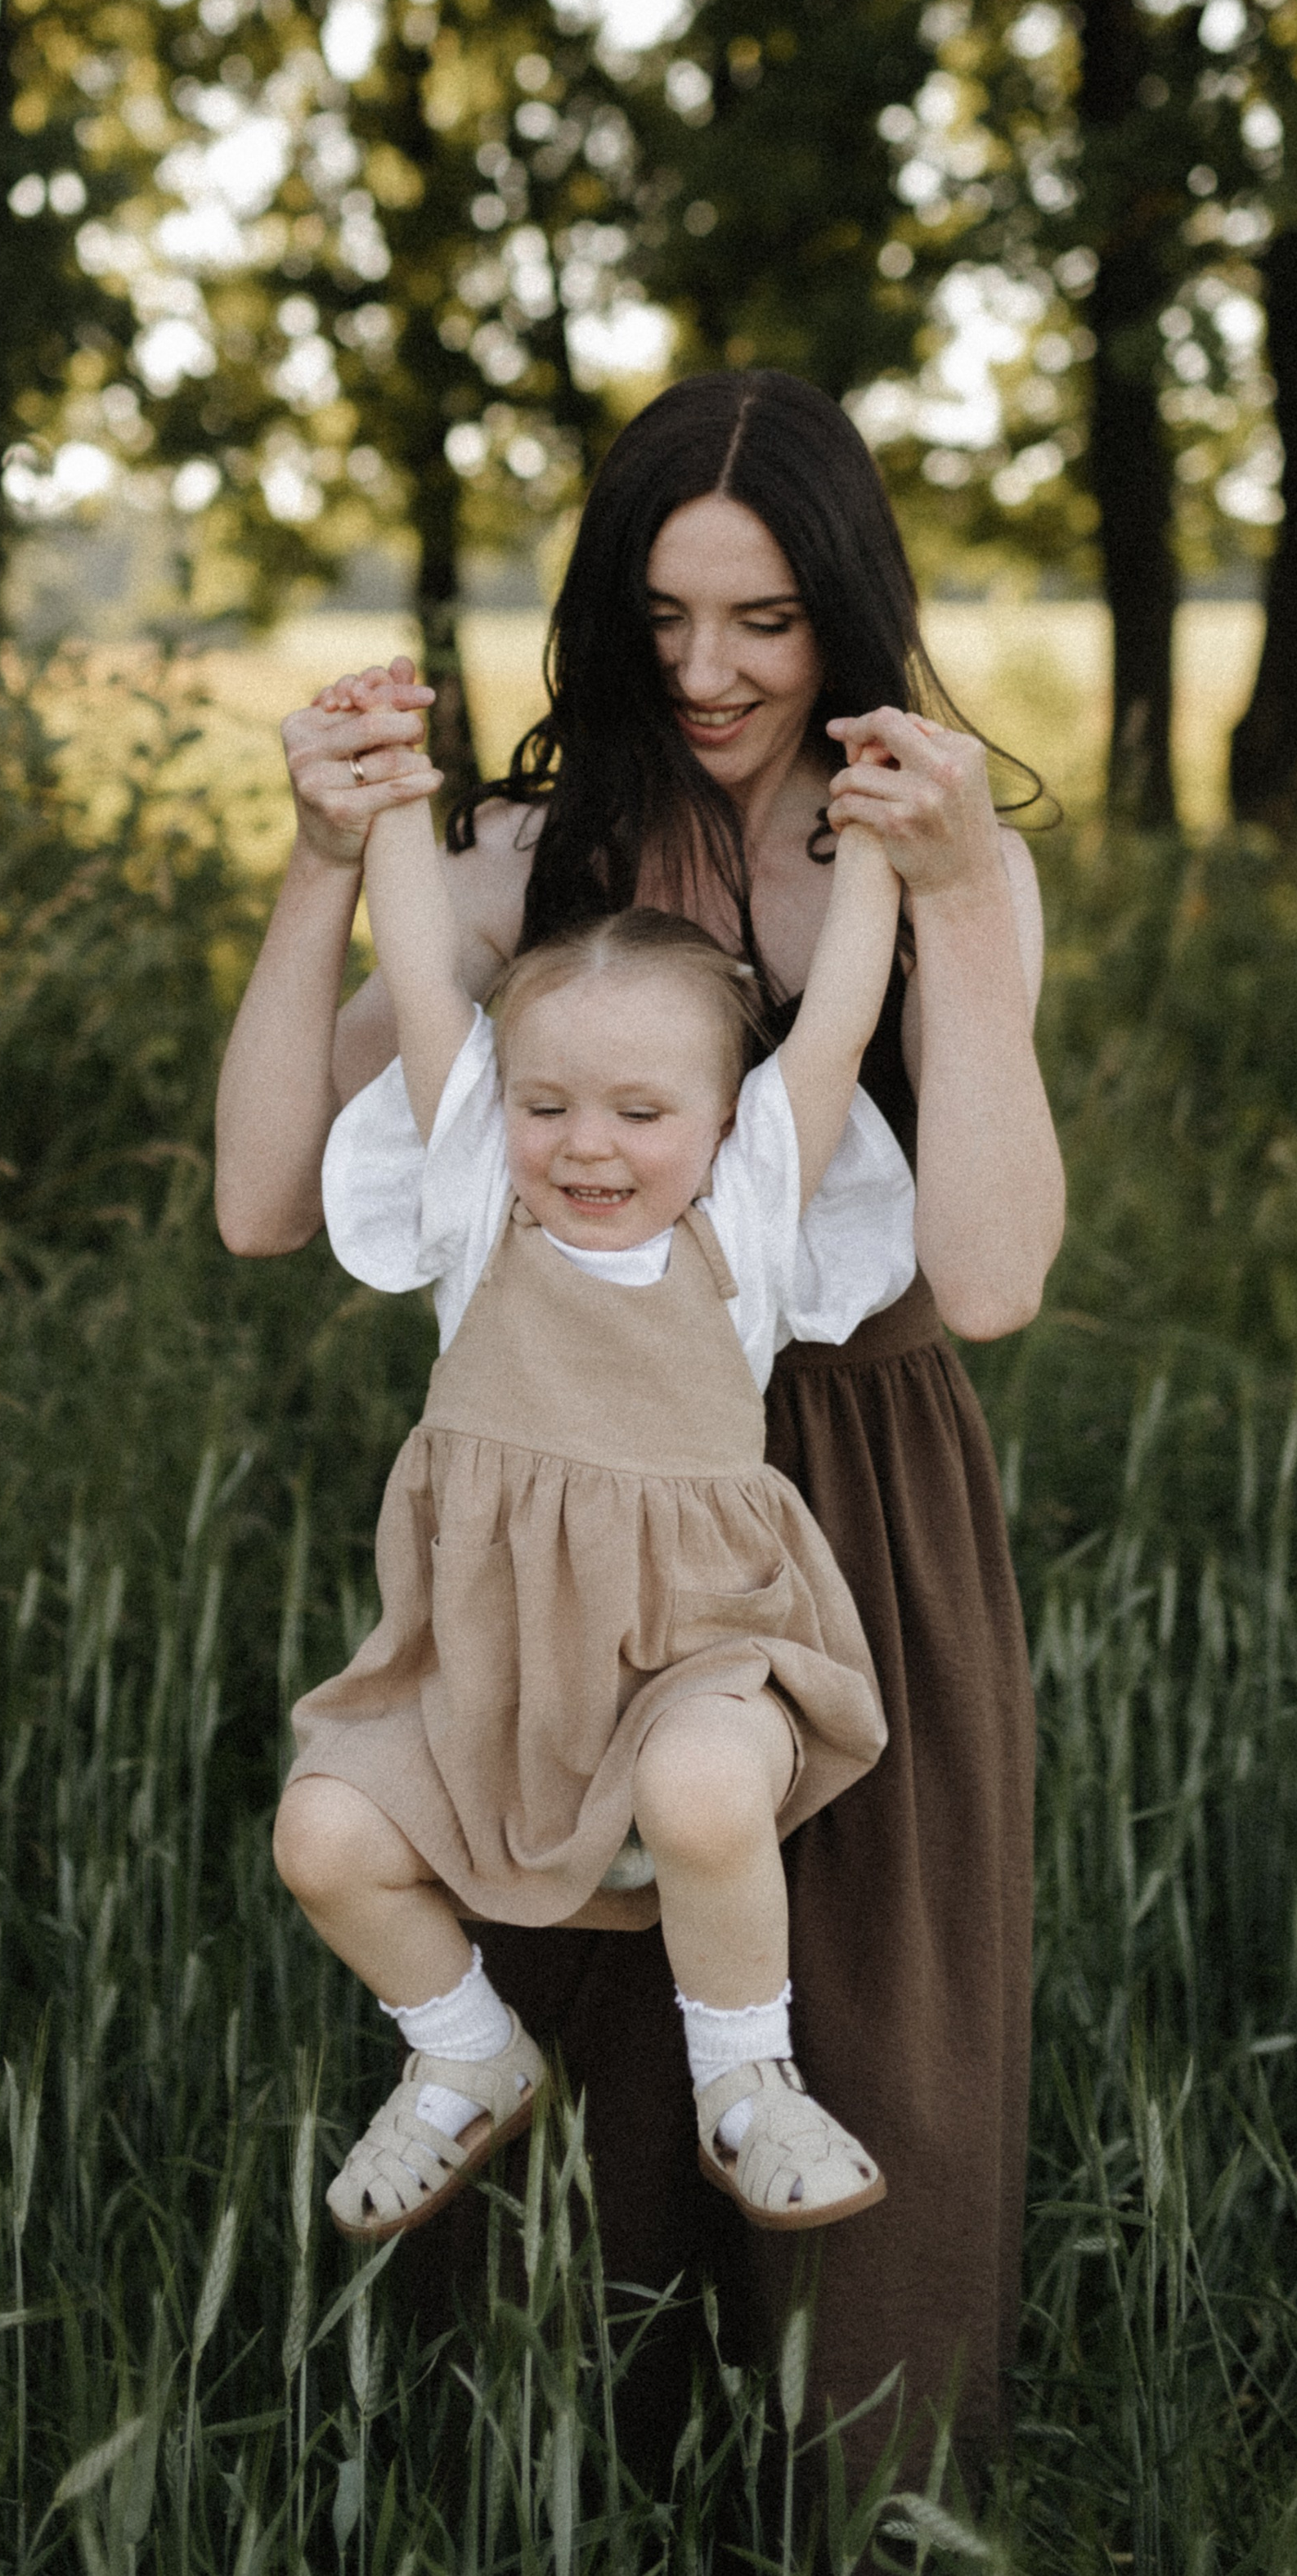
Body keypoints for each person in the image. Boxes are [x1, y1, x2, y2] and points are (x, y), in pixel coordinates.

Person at [218, 368, 1063, 2463]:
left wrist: (951, 900)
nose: (707, 671)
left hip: (844, 1495)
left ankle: (853, 2490)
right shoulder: (536, 857)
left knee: (856, 2018)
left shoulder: (928, 855)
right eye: (664, 616)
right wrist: (324, 866)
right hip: (562, 1503)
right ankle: (551, 2483)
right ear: (606, 611)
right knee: (572, 2004)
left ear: (844, 614)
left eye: (763, 621)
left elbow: (988, 1278)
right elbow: (257, 1199)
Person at [276, 776, 917, 2241]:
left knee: (700, 1787)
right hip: (492, 1677)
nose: (588, 1146)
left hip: (702, 1650)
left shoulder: (740, 1223)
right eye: (547, 1104)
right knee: (321, 1837)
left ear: (717, 1119)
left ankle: (746, 2082)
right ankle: (463, 2049)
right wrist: (390, 804)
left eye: (642, 1110)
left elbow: (835, 1036)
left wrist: (878, 843)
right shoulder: (476, 1212)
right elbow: (431, 981)